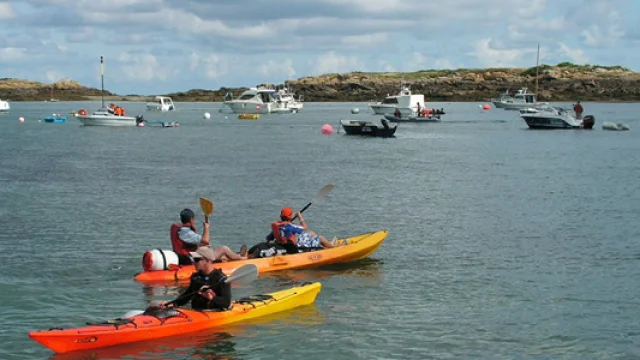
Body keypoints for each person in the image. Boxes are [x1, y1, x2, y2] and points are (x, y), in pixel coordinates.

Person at [159, 247, 231, 311]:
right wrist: (173, 303)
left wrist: (212, 298)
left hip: (213, 312)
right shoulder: (195, 277)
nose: (193, 262)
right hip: (196, 312)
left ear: (207, 260)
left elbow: (226, 302)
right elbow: (187, 295)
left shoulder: (221, 279)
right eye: (193, 259)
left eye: (196, 260)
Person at [170, 208, 247, 265]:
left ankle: (236, 255)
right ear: (191, 219)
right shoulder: (186, 232)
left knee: (221, 255)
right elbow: (206, 240)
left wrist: (201, 244)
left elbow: (189, 242)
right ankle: (243, 259)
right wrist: (206, 227)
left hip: (183, 256)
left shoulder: (179, 229)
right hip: (189, 259)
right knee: (224, 249)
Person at [265, 207, 337, 253]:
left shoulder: (277, 227)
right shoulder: (291, 226)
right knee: (319, 237)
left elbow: (268, 239)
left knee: (310, 234)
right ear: (290, 217)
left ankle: (326, 245)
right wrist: (300, 216)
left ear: (281, 217)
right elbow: (305, 229)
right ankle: (334, 248)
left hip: (283, 246)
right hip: (294, 248)